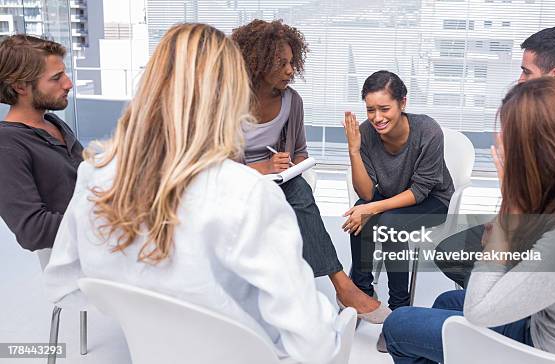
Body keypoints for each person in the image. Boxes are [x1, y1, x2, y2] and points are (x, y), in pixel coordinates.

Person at [43, 23, 342, 363]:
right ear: (231, 95)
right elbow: (315, 345)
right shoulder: (247, 194)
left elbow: (63, 285)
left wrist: (153, 305)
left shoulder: (96, 174)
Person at [382, 77, 555, 363]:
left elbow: (478, 311)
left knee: (399, 325)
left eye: (511, 141)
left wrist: (509, 210)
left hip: (542, 352)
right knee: (446, 302)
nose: (502, 147)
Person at [231, 19, 388, 322]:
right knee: (299, 194)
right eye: (281, 63)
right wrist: (258, 168)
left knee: (299, 188)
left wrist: (294, 164)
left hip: (275, 181)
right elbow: (209, 159)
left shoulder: (292, 101)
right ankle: (344, 287)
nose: (291, 70)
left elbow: (299, 149)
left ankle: (340, 286)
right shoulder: (227, 101)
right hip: (232, 182)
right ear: (257, 63)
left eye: (292, 62)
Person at [436, 25, 555, 288]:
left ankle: (511, 309)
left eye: (526, 71)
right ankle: (502, 311)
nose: (520, 79)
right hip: (530, 220)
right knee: (450, 253)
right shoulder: (538, 113)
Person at [343, 70, 454, 350]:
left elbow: (420, 191)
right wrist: (354, 151)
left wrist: (372, 209)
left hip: (432, 201)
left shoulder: (428, 130)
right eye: (370, 110)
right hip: (391, 196)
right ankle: (363, 294)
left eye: (385, 108)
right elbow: (367, 194)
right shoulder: (367, 133)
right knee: (361, 211)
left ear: (402, 103)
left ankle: (398, 313)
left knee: (388, 223)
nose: (377, 117)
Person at [0, 34, 82, 251]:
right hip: (76, 260)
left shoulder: (52, 122)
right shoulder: (6, 145)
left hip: (101, 246)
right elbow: (33, 231)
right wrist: (109, 223)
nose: (68, 83)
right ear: (20, 86)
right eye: (56, 78)